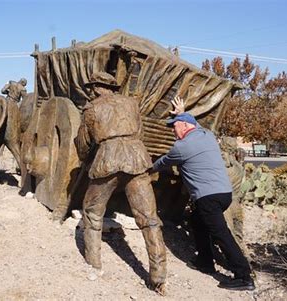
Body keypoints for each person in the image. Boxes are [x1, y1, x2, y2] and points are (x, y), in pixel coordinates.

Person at [75, 71, 167, 295]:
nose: (90, 91)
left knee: (92, 211)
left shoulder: (91, 109)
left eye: (92, 88)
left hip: (107, 160)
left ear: (97, 88)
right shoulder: (132, 104)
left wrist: (87, 158)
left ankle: (94, 263)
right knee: (149, 219)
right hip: (137, 158)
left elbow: (84, 144)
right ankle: (159, 277)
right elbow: (140, 133)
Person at [152, 98, 255, 291]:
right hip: (224, 193)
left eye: (174, 127)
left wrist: (147, 167)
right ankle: (205, 261)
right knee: (197, 221)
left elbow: (162, 163)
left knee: (220, 234)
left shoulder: (182, 147)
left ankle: (244, 276)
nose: (173, 131)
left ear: (183, 126)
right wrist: (182, 112)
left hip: (208, 197)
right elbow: (194, 124)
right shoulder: (207, 135)